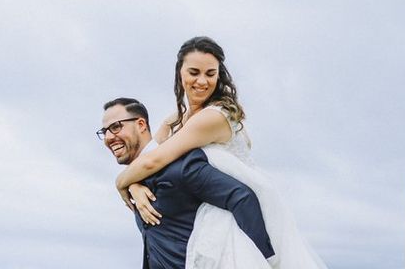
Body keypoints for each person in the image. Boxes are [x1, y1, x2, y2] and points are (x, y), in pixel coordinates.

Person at [115, 37, 328, 268]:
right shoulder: (176, 119)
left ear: (219, 75)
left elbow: (153, 161)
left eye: (210, 73)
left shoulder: (213, 117)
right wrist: (135, 186)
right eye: (194, 72)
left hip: (237, 214)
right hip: (207, 211)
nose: (202, 81)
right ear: (180, 73)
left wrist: (120, 183)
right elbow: (145, 161)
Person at [98, 97, 275, 269]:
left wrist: (263, 261)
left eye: (115, 127)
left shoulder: (180, 166)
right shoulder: (134, 180)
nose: (108, 137)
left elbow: (241, 197)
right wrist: (132, 184)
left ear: (141, 125)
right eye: (104, 131)